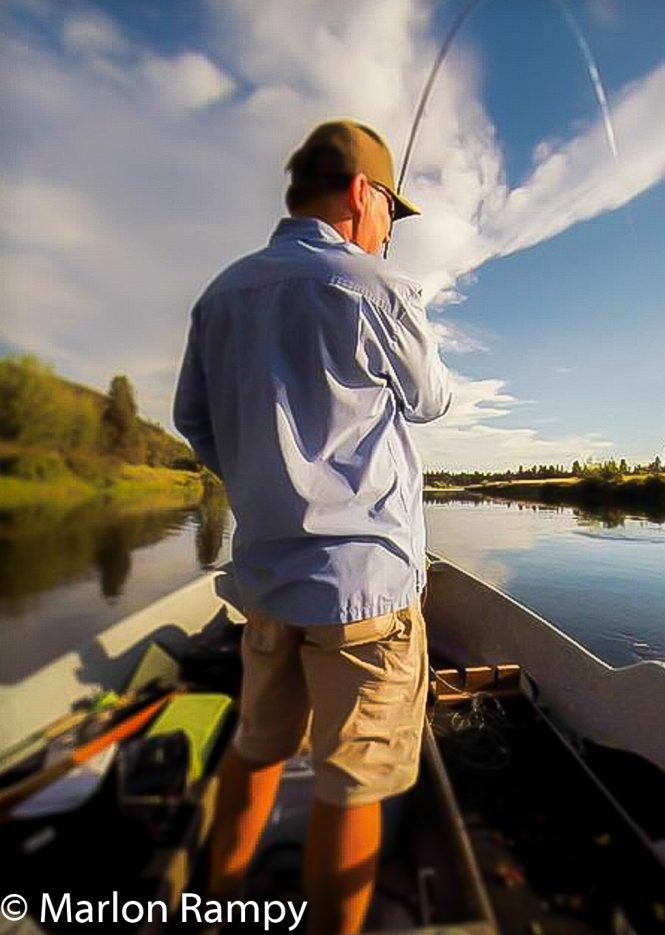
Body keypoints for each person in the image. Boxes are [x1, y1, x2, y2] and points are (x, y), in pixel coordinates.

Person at [173, 119, 452, 934]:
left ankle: (213, 908)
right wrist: (397, 296)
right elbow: (431, 400)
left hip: (265, 583)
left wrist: (267, 492)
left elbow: (197, 421)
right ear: (363, 194)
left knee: (256, 747)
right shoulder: (378, 289)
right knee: (352, 784)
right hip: (366, 595)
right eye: (389, 217)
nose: (388, 235)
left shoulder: (220, 294)